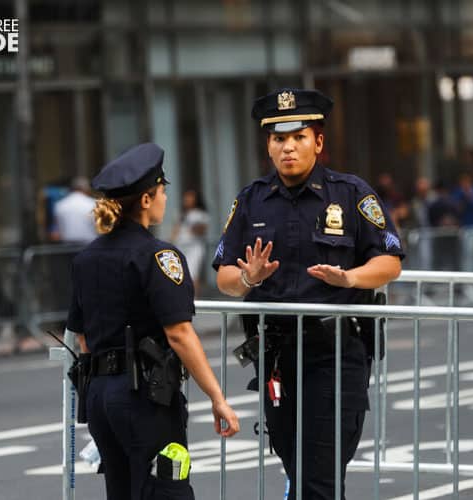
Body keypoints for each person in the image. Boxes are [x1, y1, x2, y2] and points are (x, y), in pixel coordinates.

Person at [212, 88, 404, 500]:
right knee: (296, 465)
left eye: (298, 137)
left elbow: (390, 261)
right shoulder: (251, 201)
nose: (288, 148)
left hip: (335, 352)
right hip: (277, 357)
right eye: (279, 139)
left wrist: (350, 279)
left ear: (318, 142)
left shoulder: (351, 194)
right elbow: (224, 277)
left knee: (318, 477)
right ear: (268, 146)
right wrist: (249, 280)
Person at [66, 142, 239, 500]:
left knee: (122, 491)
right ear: (146, 200)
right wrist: (217, 396)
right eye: (162, 190)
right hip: (143, 395)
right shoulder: (158, 256)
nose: (164, 198)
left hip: (99, 395)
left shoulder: (86, 258)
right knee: (166, 490)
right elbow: (179, 333)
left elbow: (82, 336)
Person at [171, 189, 210, 296]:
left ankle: (194, 299)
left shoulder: (200, 214)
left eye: (190, 197)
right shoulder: (181, 213)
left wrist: (193, 227)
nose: (187, 200)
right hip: (180, 246)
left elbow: (202, 230)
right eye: (186, 197)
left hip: (194, 247)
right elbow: (175, 230)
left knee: (193, 273)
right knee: (180, 273)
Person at [451, 172, 473, 272]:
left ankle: (472, 274)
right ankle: (464, 276)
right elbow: (454, 207)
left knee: (471, 252)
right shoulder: (458, 192)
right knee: (463, 253)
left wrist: (469, 195)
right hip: (461, 227)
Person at [54, 176, 98, 244]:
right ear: (86, 189)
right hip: (89, 243)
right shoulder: (93, 203)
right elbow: (98, 227)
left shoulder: (60, 204)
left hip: (67, 243)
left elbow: (60, 227)